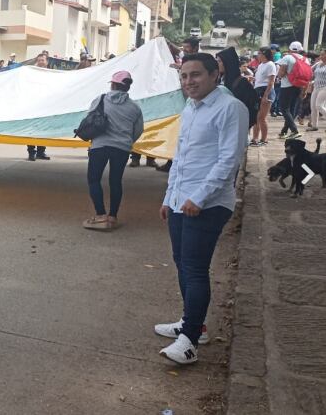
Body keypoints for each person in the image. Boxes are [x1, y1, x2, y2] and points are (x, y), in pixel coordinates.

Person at [156, 52, 248, 365]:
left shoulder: (230, 108)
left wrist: (200, 197)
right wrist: (170, 196)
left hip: (207, 204)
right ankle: (193, 324)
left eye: (195, 75)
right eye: (184, 76)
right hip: (182, 199)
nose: (188, 82)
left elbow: (228, 160)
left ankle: (190, 341)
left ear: (214, 75)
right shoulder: (191, 108)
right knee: (182, 262)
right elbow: (180, 157)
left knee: (194, 268)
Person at [83, 71, 144, 231]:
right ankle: (113, 217)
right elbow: (138, 130)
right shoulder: (135, 107)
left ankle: (100, 215)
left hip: (99, 146)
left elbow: (90, 118)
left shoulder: (100, 99)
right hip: (122, 148)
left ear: (113, 84)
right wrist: (126, 141)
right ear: (128, 87)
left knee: (94, 179)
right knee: (115, 181)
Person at [216, 47, 258, 131]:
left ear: (228, 62)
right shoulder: (219, 80)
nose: (217, 64)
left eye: (219, 61)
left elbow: (250, 107)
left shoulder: (242, 83)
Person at [275, 41, 306, 139]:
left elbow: (281, 73)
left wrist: (281, 75)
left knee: (284, 108)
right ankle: (284, 132)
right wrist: (304, 90)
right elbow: (307, 76)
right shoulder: (305, 59)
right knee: (291, 110)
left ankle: (294, 130)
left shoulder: (287, 57)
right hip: (299, 86)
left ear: (290, 49)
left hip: (287, 86)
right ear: (300, 49)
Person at [251, 47, 277, 145]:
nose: (258, 55)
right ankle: (255, 138)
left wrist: (266, 96)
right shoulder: (261, 65)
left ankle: (264, 139)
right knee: (256, 117)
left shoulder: (270, 65)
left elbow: (271, 81)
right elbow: (260, 79)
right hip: (258, 90)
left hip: (265, 91)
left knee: (261, 117)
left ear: (264, 54)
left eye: (259, 53)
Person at [309, 49, 326, 131]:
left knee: (319, 105)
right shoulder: (318, 64)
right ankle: (314, 126)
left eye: (323, 55)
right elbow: (309, 70)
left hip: (324, 87)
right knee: (313, 107)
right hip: (316, 87)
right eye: (321, 55)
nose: (321, 56)